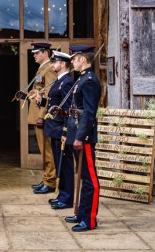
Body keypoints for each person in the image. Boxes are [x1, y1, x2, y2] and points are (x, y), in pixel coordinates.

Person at [65, 47, 101, 232]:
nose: (72, 61)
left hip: (84, 135)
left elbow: (88, 112)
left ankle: (90, 219)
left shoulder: (89, 81)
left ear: (83, 59)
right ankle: (81, 213)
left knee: (89, 178)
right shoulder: (81, 79)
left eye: (74, 58)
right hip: (76, 130)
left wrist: (81, 136)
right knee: (82, 175)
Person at [34, 50, 75, 209]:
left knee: (65, 165)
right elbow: (54, 103)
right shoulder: (60, 81)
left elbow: (67, 109)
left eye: (55, 62)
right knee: (60, 164)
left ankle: (67, 197)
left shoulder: (67, 82)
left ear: (63, 64)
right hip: (54, 128)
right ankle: (62, 194)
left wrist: (66, 130)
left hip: (60, 128)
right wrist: (42, 100)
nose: (52, 65)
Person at [27, 42, 58, 194]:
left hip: (43, 115)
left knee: (47, 150)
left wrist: (41, 116)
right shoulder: (42, 68)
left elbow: (49, 94)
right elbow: (39, 90)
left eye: (37, 53)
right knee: (43, 149)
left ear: (45, 53)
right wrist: (28, 94)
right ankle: (47, 178)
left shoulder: (50, 68)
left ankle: (51, 181)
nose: (34, 55)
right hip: (37, 113)